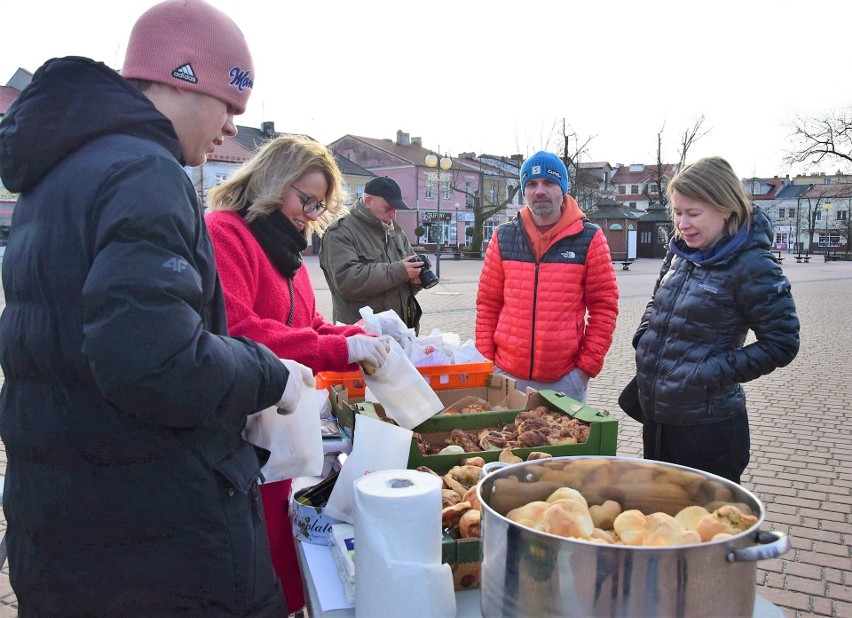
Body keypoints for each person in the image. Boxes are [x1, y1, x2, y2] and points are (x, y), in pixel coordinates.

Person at [0, 1, 314, 615]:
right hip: (152, 543)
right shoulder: (143, 171)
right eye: (228, 104)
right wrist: (266, 372)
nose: (231, 127)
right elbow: (154, 361)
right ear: (182, 77)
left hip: (72, 522)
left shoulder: (57, 174)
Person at [206, 134, 389, 613]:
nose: (311, 214)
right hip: (239, 433)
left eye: (320, 205)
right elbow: (241, 329)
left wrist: (362, 333)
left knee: (278, 554)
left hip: (281, 427)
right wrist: (341, 347)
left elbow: (305, 327)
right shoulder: (226, 233)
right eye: (305, 199)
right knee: (250, 561)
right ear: (273, 181)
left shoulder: (287, 249)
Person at [632, 156, 800, 484]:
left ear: (726, 208)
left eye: (693, 214)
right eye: (678, 213)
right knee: (660, 521)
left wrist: (707, 374)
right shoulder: (681, 252)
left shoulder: (753, 265)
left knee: (707, 527)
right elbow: (657, 300)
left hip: (708, 427)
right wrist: (643, 337)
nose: (682, 224)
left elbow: (782, 342)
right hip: (659, 415)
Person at [476, 151, 619, 403]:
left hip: (565, 380)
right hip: (507, 375)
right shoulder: (503, 236)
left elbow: (604, 308)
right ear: (524, 190)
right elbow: (488, 304)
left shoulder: (589, 238)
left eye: (549, 182)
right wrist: (487, 363)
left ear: (563, 188)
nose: (539, 191)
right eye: (531, 184)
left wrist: (585, 370)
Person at [319, 176, 428, 334]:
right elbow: (348, 282)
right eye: (388, 208)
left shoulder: (395, 232)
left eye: (396, 209)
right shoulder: (340, 232)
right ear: (368, 201)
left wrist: (416, 281)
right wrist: (400, 271)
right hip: (362, 339)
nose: (393, 215)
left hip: (401, 334)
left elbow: (403, 279)